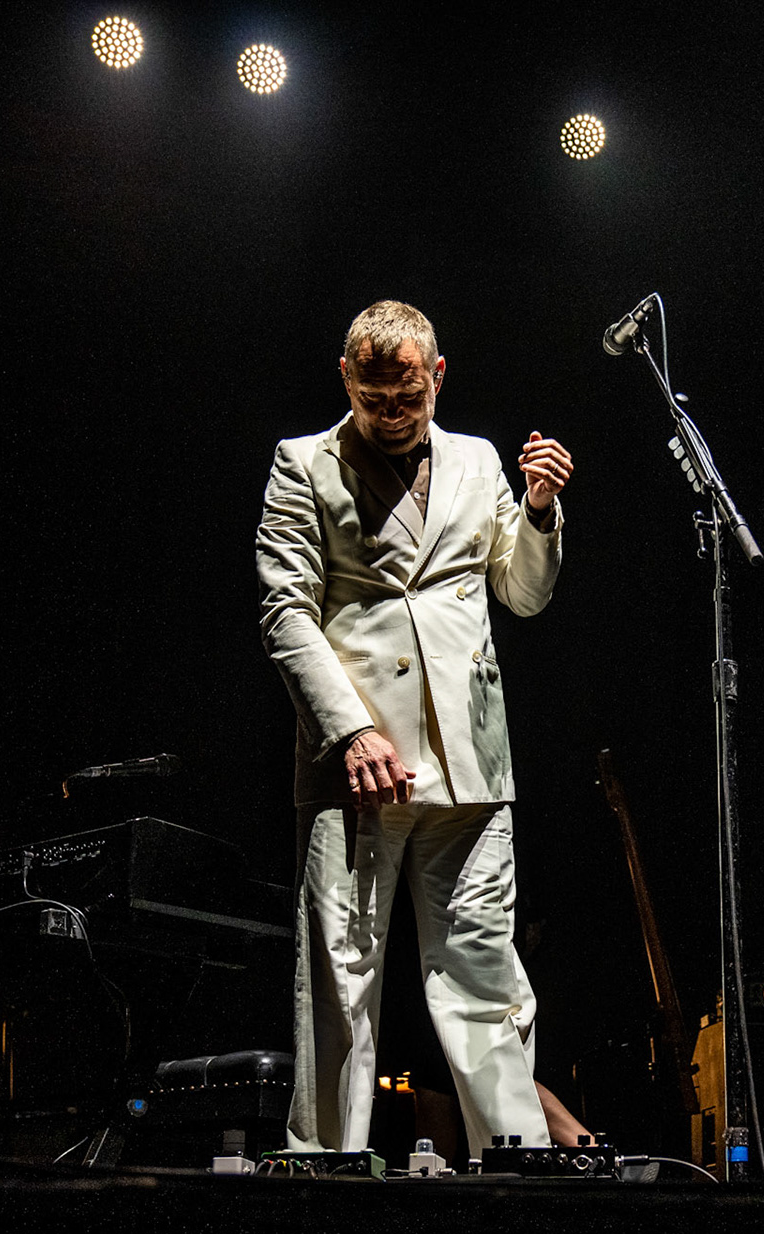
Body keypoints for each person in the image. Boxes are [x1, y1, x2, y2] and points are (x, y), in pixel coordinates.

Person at [255, 299, 574, 1156]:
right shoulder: (302, 463)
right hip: (358, 764)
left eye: (408, 397)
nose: (392, 413)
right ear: (345, 380)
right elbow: (286, 613)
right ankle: (325, 1164)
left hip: (471, 762)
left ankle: (515, 1160)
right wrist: (350, 733)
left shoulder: (477, 461)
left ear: (437, 376)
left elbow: (523, 594)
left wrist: (539, 511)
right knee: (342, 974)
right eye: (373, 398)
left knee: (484, 975)